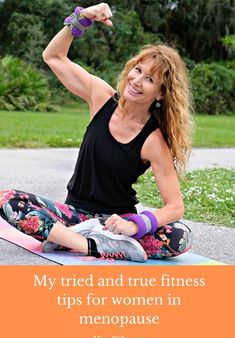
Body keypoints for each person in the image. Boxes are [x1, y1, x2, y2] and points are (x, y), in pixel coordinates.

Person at [0, 3, 193, 262]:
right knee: (8, 200)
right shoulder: (102, 97)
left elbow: (175, 206)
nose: (137, 80)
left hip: (116, 225)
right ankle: (89, 245)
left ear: (160, 93)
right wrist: (80, 19)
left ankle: (68, 241)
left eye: (149, 79)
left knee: (181, 236)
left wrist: (134, 225)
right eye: (138, 70)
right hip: (73, 216)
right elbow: (53, 56)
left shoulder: (153, 140)